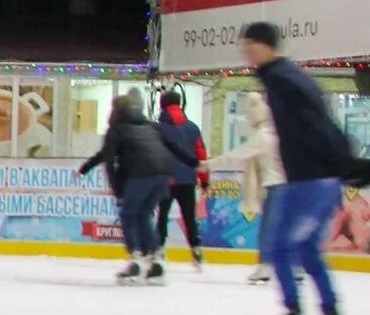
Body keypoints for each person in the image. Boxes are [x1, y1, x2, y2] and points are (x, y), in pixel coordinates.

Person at [241, 22, 351, 315]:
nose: (245, 52)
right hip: (318, 178)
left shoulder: (282, 79)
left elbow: (317, 125)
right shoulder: (289, 77)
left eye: (249, 45)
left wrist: (334, 161)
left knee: (282, 248)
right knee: (306, 251)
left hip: (310, 180)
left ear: (265, 46)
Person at [79, 90, 193, 286]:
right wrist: (194, 162)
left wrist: (117, 192)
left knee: (129, 214)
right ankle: (156, 261)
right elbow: (172, 146)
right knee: (143, 214)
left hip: (143, 173)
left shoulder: (116, 130)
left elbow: (108, 160)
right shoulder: (149, 126)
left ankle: (136, 260)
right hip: (164, 173)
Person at [204, 95, 284, 285]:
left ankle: (265, 267)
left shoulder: (262, 137)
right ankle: (293, 266)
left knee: (267, 229)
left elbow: (235, 155)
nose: (248, 119)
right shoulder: (278, 134)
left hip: (277, 187)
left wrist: (208, 164)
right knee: (283, 229)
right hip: (288, 187)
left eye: (249, 115)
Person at [154, 86, 207, 270]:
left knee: (162, 215)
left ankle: (159, 249)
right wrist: (204, 178)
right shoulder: (193, 128)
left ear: (162, 106)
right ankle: (196, 250)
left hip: (166, 179)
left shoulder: (158, 129)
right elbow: (200, 154)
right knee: (190, 217)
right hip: (188, 180)